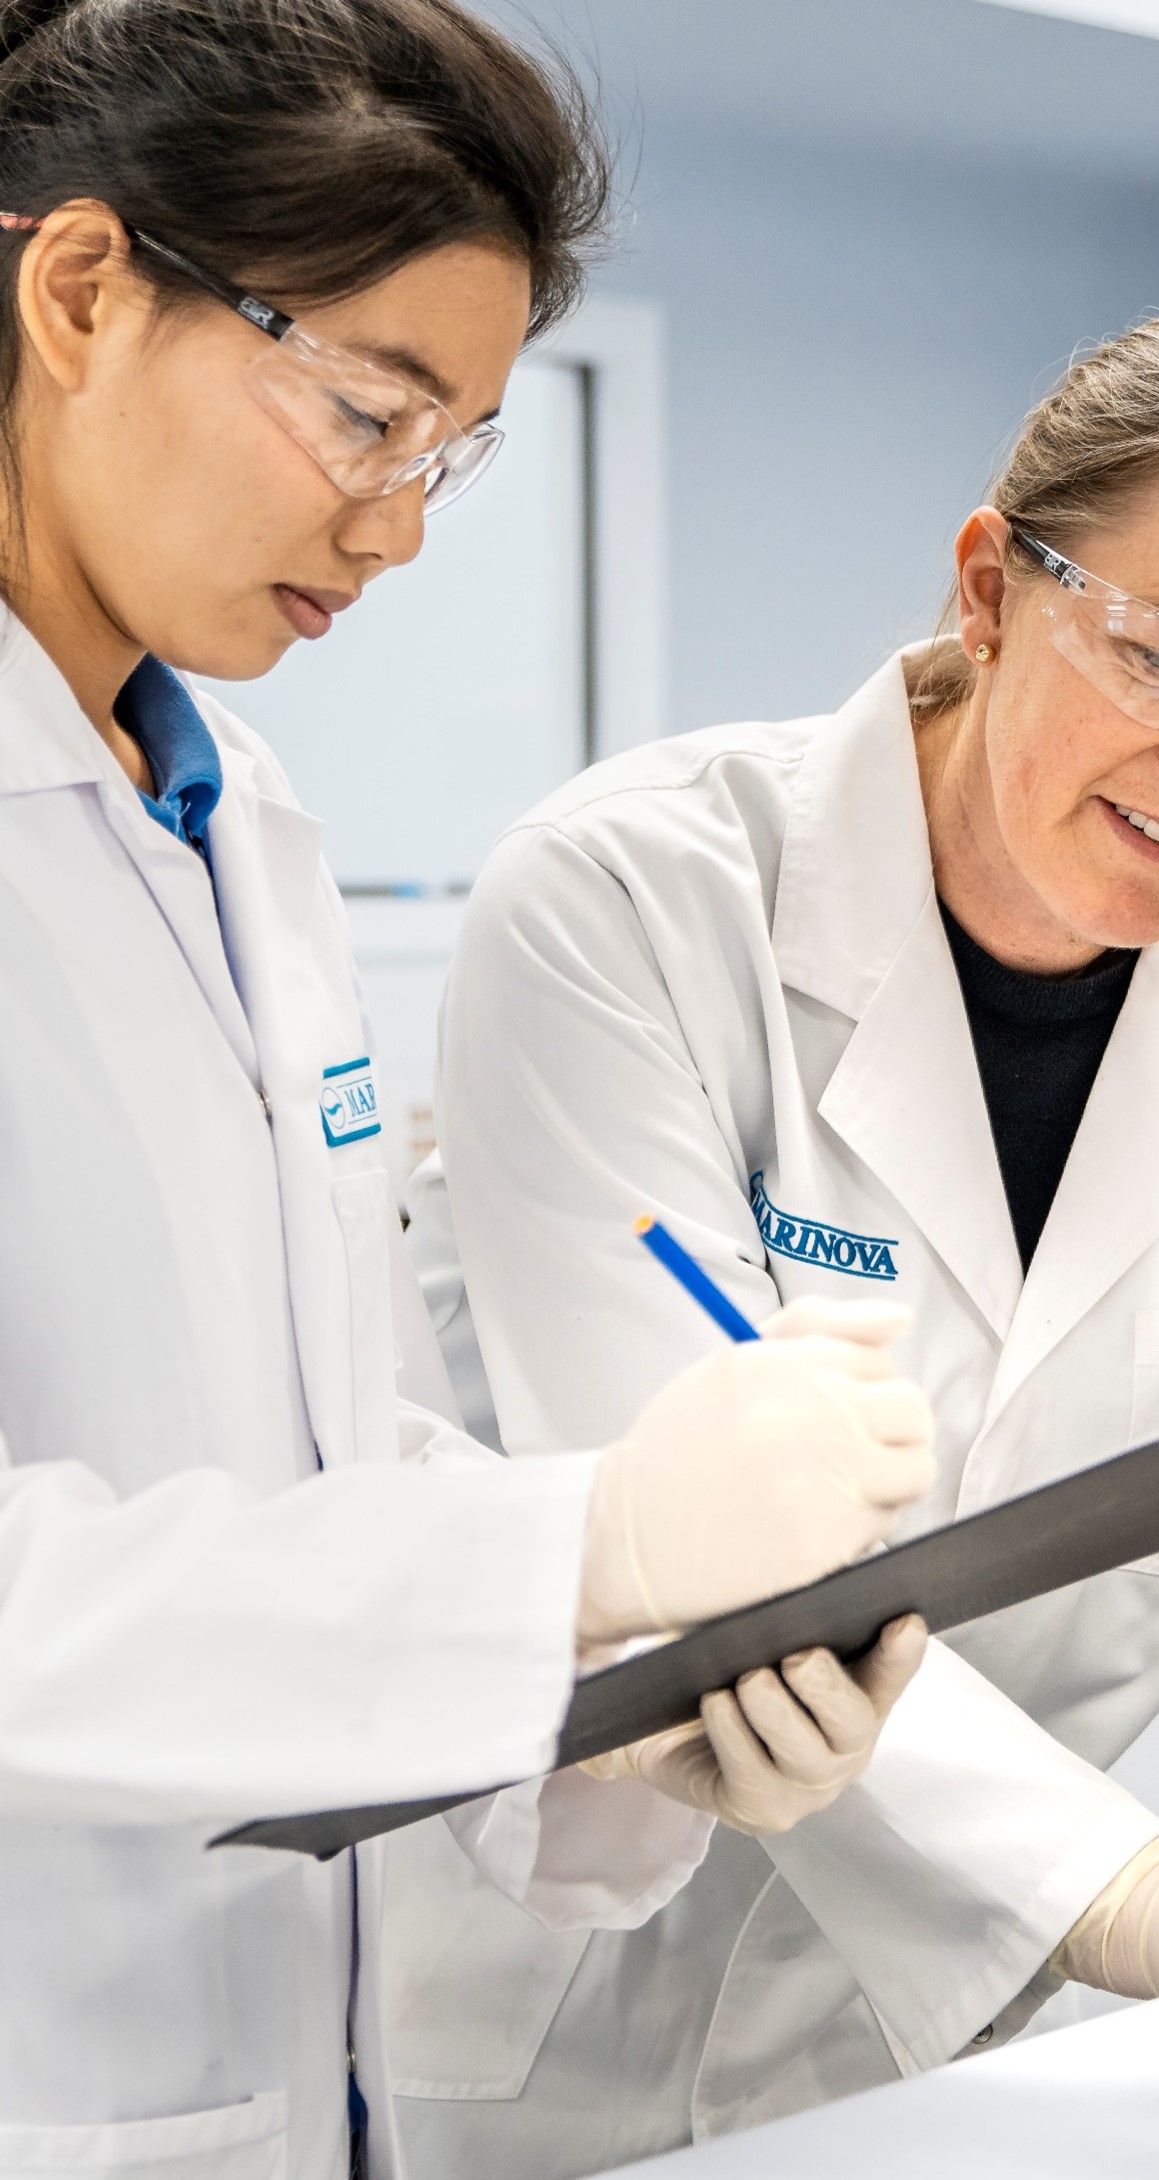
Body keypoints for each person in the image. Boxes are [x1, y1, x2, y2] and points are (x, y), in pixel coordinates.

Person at [0, 3, 942, 2173]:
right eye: (365, 412)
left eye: (451, 453)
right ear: (76, 292)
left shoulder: (248, 828)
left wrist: (621, 1694)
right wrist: (576, 1543)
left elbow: (305, 1445)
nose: (396, 531)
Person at [404, 308, 1159, 2175]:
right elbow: (699, 1559)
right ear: (990, 588)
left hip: (917, 2057)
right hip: (535, 2004)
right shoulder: (631, 901)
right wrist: (1136, 1892)